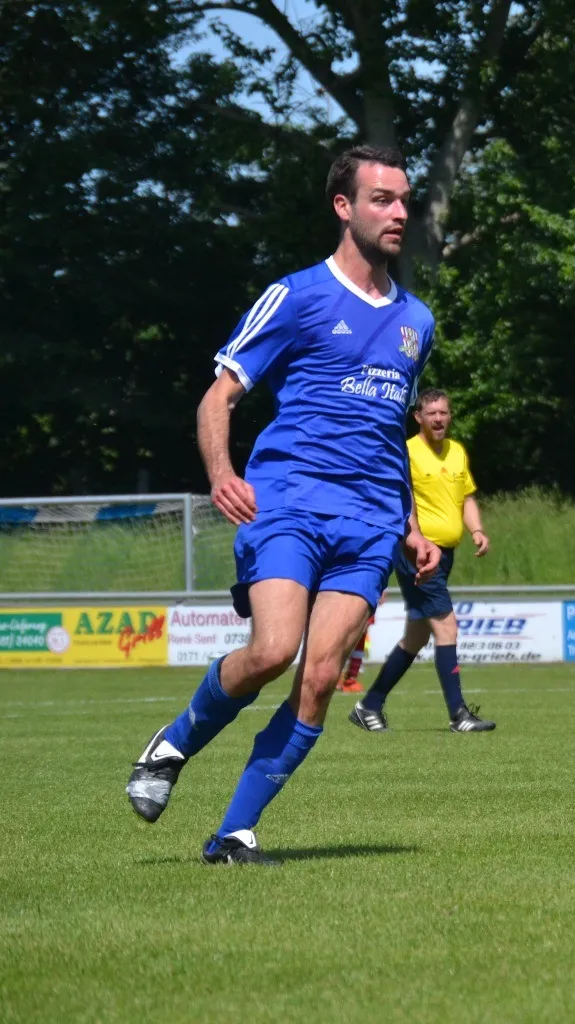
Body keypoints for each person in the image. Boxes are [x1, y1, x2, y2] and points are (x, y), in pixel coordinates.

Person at [125, 145, 441, 865]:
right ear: (344, 207)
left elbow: (387, 431)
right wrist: (221, 473)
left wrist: (412, 525)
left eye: (404, 200)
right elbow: (219, 396)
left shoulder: (416, 320)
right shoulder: (296, 295)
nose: (399, 212)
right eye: (383, 199)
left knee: (322, 677)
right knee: (273, 650)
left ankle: (233, 833)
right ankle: (172, 744)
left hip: (372, 522)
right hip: (291, 502)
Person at [348, 388, 495, 733]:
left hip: (446, 554)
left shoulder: (457, 452)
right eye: (432, 413)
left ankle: (369, 705)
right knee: (447, 627)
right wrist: (412, 541)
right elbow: (399, 502)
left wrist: (476, 530)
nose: (439, 419)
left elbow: (466, 497)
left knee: (416, 638)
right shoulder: (406, 452)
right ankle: (458, 714)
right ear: (418, 417)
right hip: (417, 554)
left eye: (444, 412)